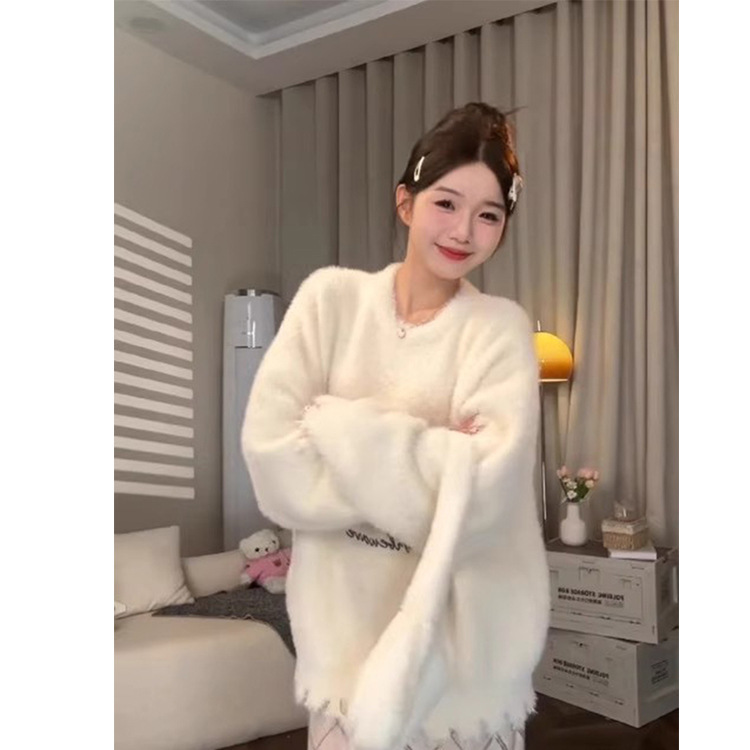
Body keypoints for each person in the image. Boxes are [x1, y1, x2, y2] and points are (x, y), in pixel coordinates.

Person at [241, 102, 550, 750]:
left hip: (466, 658)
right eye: (446, 203)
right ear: (405, 202)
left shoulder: (500, 330)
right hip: (343, 653)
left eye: (489, 214)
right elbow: (274, 463)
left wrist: (334, 429)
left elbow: (483, 502)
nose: (464, 230)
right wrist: (438, 456)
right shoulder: (330, 301)